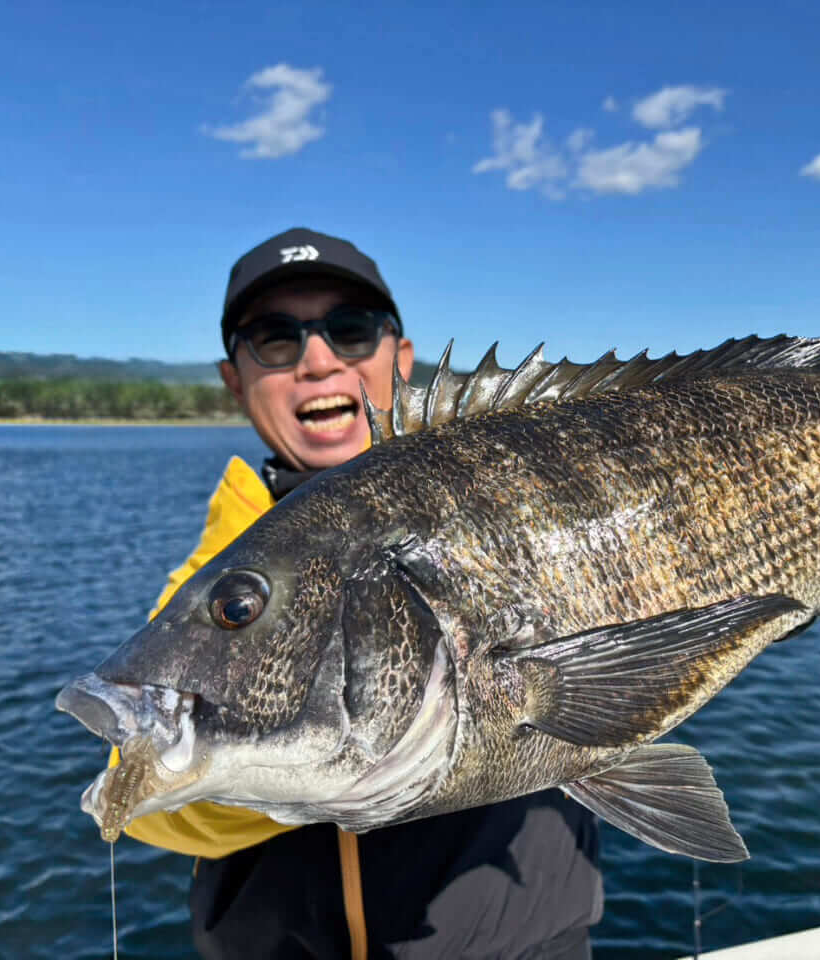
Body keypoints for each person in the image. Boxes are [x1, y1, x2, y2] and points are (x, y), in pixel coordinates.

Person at [121, 228, 603, 960]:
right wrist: (295, 757)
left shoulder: (531, 493)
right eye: (274, 338)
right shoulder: (215, 571)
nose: (317, 360)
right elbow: (144, 797)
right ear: (234, 379)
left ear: (400, 359)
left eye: (349, 330)